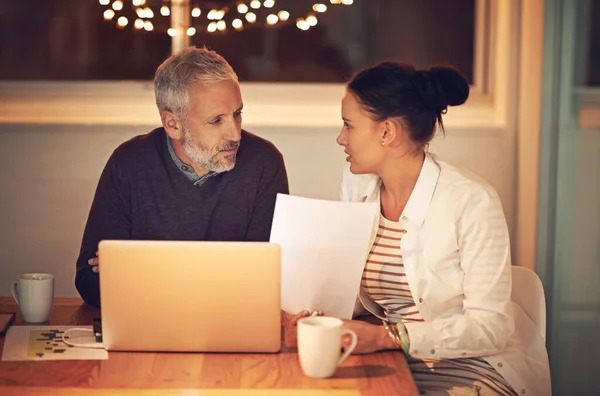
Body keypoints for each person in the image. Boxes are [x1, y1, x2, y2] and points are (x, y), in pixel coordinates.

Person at [328, 61, 551, 395]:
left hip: (473, 369)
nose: (340, 138)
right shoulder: (357, 186)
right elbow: (362, 296)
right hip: (394, 362)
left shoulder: (471, 201)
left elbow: (491, 327)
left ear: (387, 132)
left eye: (349, 125)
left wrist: (388, 337)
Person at [75, 47, 289, 308]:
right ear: (173, 124)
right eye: (216, 120)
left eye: (237, 114)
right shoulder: (128, 163)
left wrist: (141, 269)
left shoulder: (264, 163)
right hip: (148, 328)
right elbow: (90, 281)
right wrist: (221, 273)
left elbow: (265, 281)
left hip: (229, 327)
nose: (235, 134)